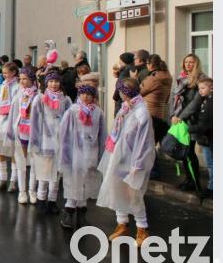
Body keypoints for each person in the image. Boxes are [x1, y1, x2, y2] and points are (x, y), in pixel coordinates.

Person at [97, 78, 156, 247]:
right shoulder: (126, 107)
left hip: (132, 161)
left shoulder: (141, 112)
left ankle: (142, 228)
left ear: (126, 92)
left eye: (121, 91)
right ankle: (122, 224)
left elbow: (144, 142)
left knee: (133, 194)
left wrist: (137, 164)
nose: (120, 94)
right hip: (119, 157)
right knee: (117, 190)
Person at [58, 85, 107, 229]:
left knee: (86, 184)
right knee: (74, 183)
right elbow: (63, 133)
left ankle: (81, 215)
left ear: (94, 97)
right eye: (83, 94)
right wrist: (65, 154)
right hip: (75, 154)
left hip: (91, 153)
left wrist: (102, 156)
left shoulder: (98, 112)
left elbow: (102, 134)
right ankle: (68, 212)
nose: (85, 97)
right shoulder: (72, 111)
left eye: (89, 94)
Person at [29, 71, 72, 214]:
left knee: (57, 174)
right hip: (44, 142)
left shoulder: (66, 100)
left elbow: (70, 121)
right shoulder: (40, 99)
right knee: (44, 172)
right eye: (51, 81)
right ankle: (41, 200)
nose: (54, 84)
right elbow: (34, 122)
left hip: (61, 143)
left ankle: (52, 201)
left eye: (57, 81)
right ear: (46, 83)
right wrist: (34, 142)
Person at [170, 53, 206, 192]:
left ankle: (196, 183)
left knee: (190, 152)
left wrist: (180, 116)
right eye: (186, 62)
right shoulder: (181, 78)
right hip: (180, 120)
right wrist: (173, 115)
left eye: (191, 62)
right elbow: (175, 99)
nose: (188, 64)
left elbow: (195, 103)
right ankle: (188, 180)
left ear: (196, 63)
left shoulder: (200, 79)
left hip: (192, 120)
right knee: (184, 152)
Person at [5, 67, 39, 204]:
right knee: (21, 160)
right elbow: (13, 112)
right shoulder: (19, 94)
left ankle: (32, 190)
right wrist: (11, 130)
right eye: (21, 79)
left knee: (34, 161)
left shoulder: (38, 94)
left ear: (32, 79)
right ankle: (22, 191)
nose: (22, 81)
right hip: (22, 130)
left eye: (25, 78)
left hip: (35, 131)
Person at [139, 54, 172, 179]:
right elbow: (167, 98)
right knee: (151, 143)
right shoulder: (167, 77)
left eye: (147, 64)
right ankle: (153, 170)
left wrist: (136, 79)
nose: (146, 67)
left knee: (148, 144)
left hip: (149, 113)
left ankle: (154, 171)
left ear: (151, 65)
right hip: (160, 113)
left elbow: (139, 92)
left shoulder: (154, 78)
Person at [0, 63, 20, 190]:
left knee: (14, 151)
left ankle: (13, 180)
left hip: (12, 121)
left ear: (14, 72)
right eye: (3, 73)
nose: (4, 75)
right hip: (1, 120)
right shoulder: (2, 86)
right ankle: (2, 178)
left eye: (7, 72)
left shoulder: (18, 87)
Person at [186, 78, 212, 198]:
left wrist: (189, 129)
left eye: (203, 88)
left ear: (211, 88)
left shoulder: (210, 103)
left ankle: (211, 188)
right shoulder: (206, 100)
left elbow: (205, 124)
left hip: (208, 138)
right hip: (206, 138)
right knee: (210, 163)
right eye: (199, 88)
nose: (200, 91)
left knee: (211, 164)